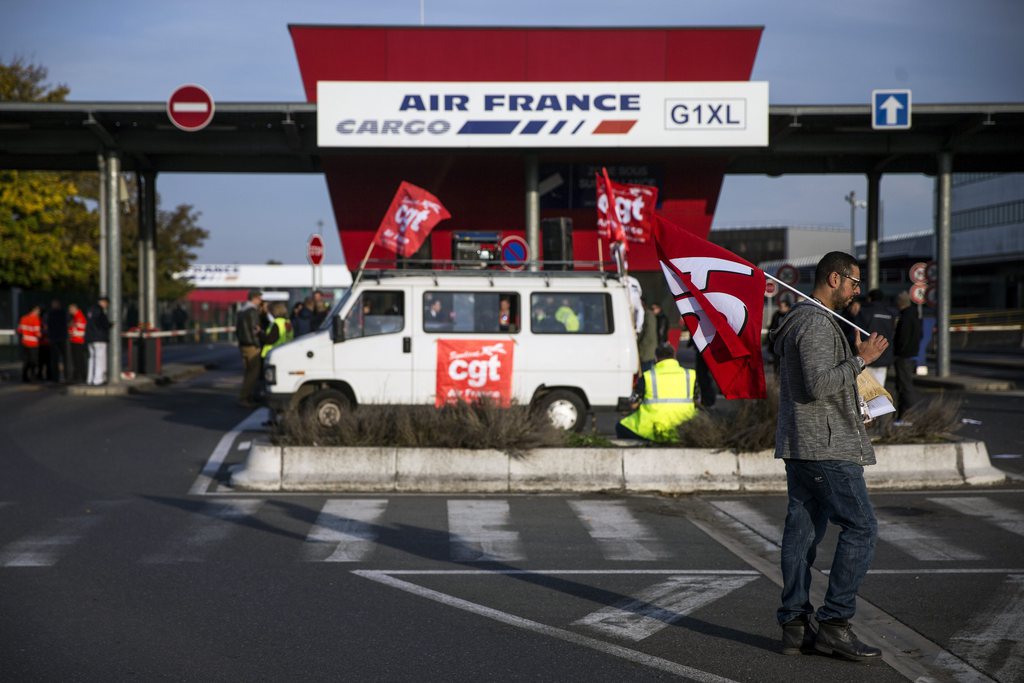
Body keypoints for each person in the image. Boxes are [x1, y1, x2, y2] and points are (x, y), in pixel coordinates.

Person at [769, 251, 889, 661]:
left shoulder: (806, 321)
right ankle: (835, 624)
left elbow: (815, 386)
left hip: (805, 444)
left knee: (802, 533)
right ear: (834, 279)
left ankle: (795, 625)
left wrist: (856, 398)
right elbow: (819, 385)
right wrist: (862, 360)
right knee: (862, 527)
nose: (857, 291)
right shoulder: (816, 323)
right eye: (854, 282)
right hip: (826, 446)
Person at [617, 345, 697, 443]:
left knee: (620, 427)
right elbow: (697, 401)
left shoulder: (648, 377)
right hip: (682, 429)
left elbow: (633, 404)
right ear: (674, 356)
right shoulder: (690, 375)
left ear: (656, 358)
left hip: (652, 430)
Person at [892, 291, 922, 421]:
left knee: (905, 385)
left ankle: (909, 415)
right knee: (905, 384)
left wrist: (898, 351)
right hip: (911, 354)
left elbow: (902, 338)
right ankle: (903, 415)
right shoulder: (915, 316)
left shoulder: (905, 317)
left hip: (903, 355)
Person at [856, 289, 895, 386]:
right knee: (880, 390)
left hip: (867, 357)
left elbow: (856, 333)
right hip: (884, 356)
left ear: (870, 299)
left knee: (865, 392)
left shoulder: (864, 312)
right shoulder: (890, 314)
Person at [236, 289, 264, 408]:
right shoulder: (252, 311)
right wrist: (257, 343)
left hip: (243, 344)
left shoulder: (242, 310)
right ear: (255, 298)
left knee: (248, 371)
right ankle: (244, 398)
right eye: (259, 298)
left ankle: (246, 397)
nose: (261, 301)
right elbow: (255, 329)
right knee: (253, 373)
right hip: (252, 345)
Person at [85, 297, 112, 386]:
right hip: (99, 337)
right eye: (106, 304)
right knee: (100, 358)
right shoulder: (99, 311)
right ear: (104, 302)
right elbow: (102, 323)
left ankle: (90, 379)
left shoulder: (90, 310)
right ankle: (98, 379)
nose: (106, 306)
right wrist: (109, 324)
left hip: (90, 337)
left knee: (92, 358)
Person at [765, 299, 791, 376]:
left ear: (787, 307)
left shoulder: (790, 315)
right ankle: (776, 378)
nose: (780, 308)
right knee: (776, 363)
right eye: (780, 306)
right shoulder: (776, 315)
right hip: (776, 344)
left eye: (782, 306)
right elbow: (771, 327)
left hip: (787, 344)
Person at [16, 305, 42, 382]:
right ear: (34, 311)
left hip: (25, 342)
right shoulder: (36, 319)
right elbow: (37, 333)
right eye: (38, 311)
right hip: (33, 343)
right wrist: (41, 334)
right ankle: (33, 377)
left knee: (26, 360)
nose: (39, 312)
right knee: (34, 361)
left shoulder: (23, 318)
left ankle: (24, 376)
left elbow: (19, 330)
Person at [46, 299, 68, 383]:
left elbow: (48, 325)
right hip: (61, 337)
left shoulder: (50, 314)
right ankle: (66, 375)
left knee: (55, 358)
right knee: (64, 357)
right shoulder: (63, 313)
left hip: (54, 338)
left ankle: (55, 377)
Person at [67, 303, 88, 384]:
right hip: (75, 340)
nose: (69, 311)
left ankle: (80, 376)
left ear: (74, 308)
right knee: (77, 360)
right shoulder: (76, 317)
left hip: (78, 341)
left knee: (78, 360)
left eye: (70, 309)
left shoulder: (79, 317)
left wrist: (71, 332)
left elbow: (80, 330)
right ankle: (78, 376)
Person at [636, 301, 658, 372]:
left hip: (646, 351)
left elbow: (649, 334)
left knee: (646, 372)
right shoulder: (646, 315)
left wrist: (641, 346)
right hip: (645, 350)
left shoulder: (648, 315)